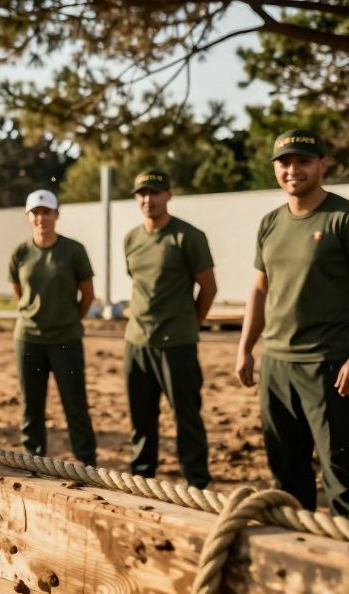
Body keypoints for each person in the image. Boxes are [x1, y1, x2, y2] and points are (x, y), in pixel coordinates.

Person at [236, 130, 349, 515]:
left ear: (322, 164)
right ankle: (300, 558)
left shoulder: (341, 218)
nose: (293, 170)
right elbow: (259, 289)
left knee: (341, 473)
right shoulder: (270, 223)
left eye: (303, 161)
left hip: (330, 366)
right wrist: (245, 348)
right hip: (277, 367)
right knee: (286, 473)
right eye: (284, 162)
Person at [123, 169, 217, 489]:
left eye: (155, 192)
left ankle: (197, 483)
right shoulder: (132, 239)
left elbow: (208, 288)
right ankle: (141, 479)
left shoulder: (188, 236)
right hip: (137, 343)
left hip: (177, 344)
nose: (149, 199)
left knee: (187, 418)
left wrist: (191, 323)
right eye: (142, 194)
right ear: (136, 198)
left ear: (169, 195)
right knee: (141, 420)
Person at [8, 189, 97, 466]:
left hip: (66, 340)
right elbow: (19, 292)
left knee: (75, 405)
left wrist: (69, 319)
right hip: (29, 340)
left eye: (47, 212)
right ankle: (34, 461)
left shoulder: (74, 251)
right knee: (31, 406)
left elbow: (88, 294)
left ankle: (86, 460)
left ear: (56, 215)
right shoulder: (20, 253)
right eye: (35, 212)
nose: (41, 217)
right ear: (27, 217)